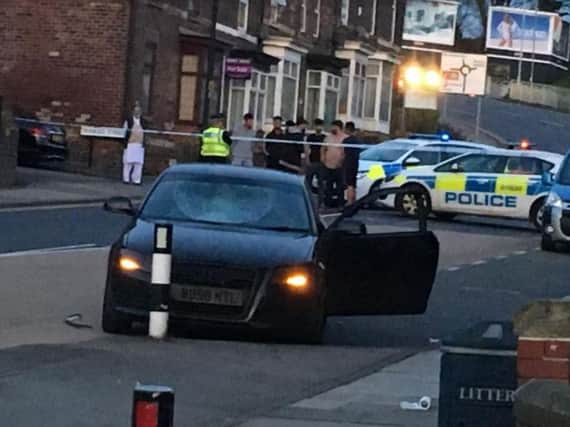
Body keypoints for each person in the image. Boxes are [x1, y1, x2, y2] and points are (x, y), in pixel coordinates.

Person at [320, 120, 347, 207]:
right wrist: (323, 157)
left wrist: (342, 161)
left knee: (340, 187)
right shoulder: (328, 138)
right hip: (328, 166)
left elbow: (346, 152)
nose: (332, 129)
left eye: (334, 127)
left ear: (339, 127)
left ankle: (340, 204)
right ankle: (328, 204)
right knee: (328, 186)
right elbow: (323, 149)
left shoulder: (345, 138)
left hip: (339, 167)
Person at [122, 102, 146, 185]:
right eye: (136, 111)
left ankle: (136, 180)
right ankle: (126, 179)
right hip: (130, 144)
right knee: (128, 162)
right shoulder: (128, 121)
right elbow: (124, 132)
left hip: (139, 145)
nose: (137, 113)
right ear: (133, 112)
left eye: (139, 111)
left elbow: (146, 132)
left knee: (138, 164)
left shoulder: (143, 121)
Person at [343, 122, 362, 205]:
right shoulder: (358, 141)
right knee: (353, 183)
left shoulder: (346, 140)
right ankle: (354, 200)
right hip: (356, 163)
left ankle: (349, 201)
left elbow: (342, 153)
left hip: (348, 163)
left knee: (349, 183)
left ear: (347, 129)